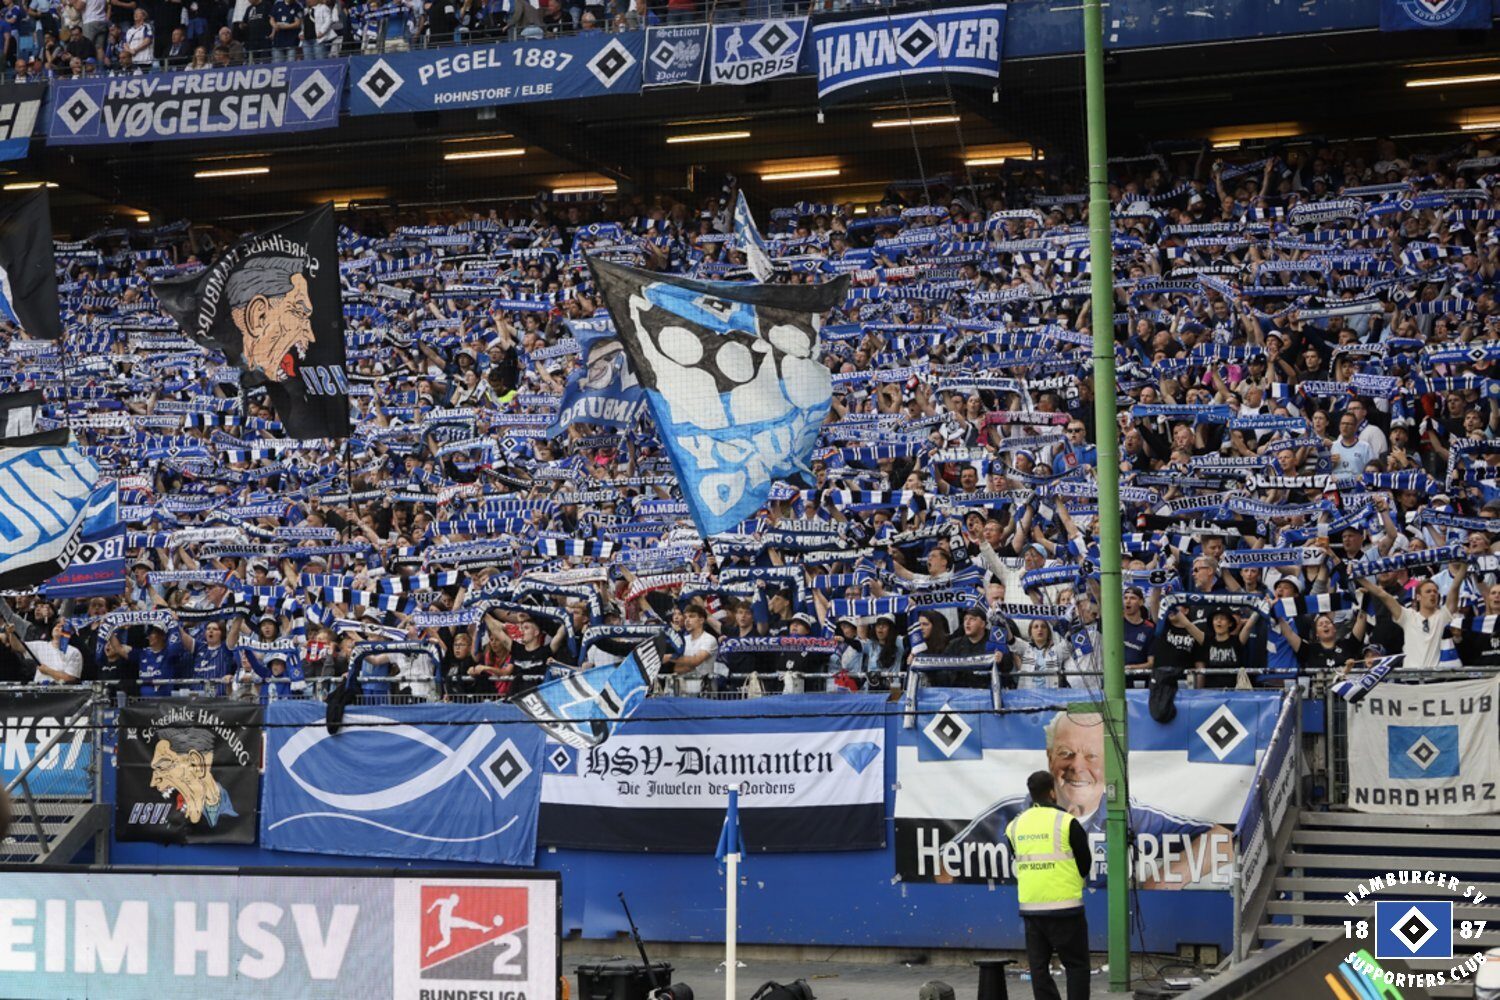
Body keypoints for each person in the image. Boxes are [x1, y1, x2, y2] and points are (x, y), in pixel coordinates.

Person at [1006, 769, 1091, 1000]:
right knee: (1076, 966)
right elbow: (1085, 863)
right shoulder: (1067, 822)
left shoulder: (1015, 826)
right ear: (1053, 792)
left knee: (1039, 969)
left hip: (1032, 910)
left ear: (1032, 795)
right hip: (1067, 908)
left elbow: (1014, 860)